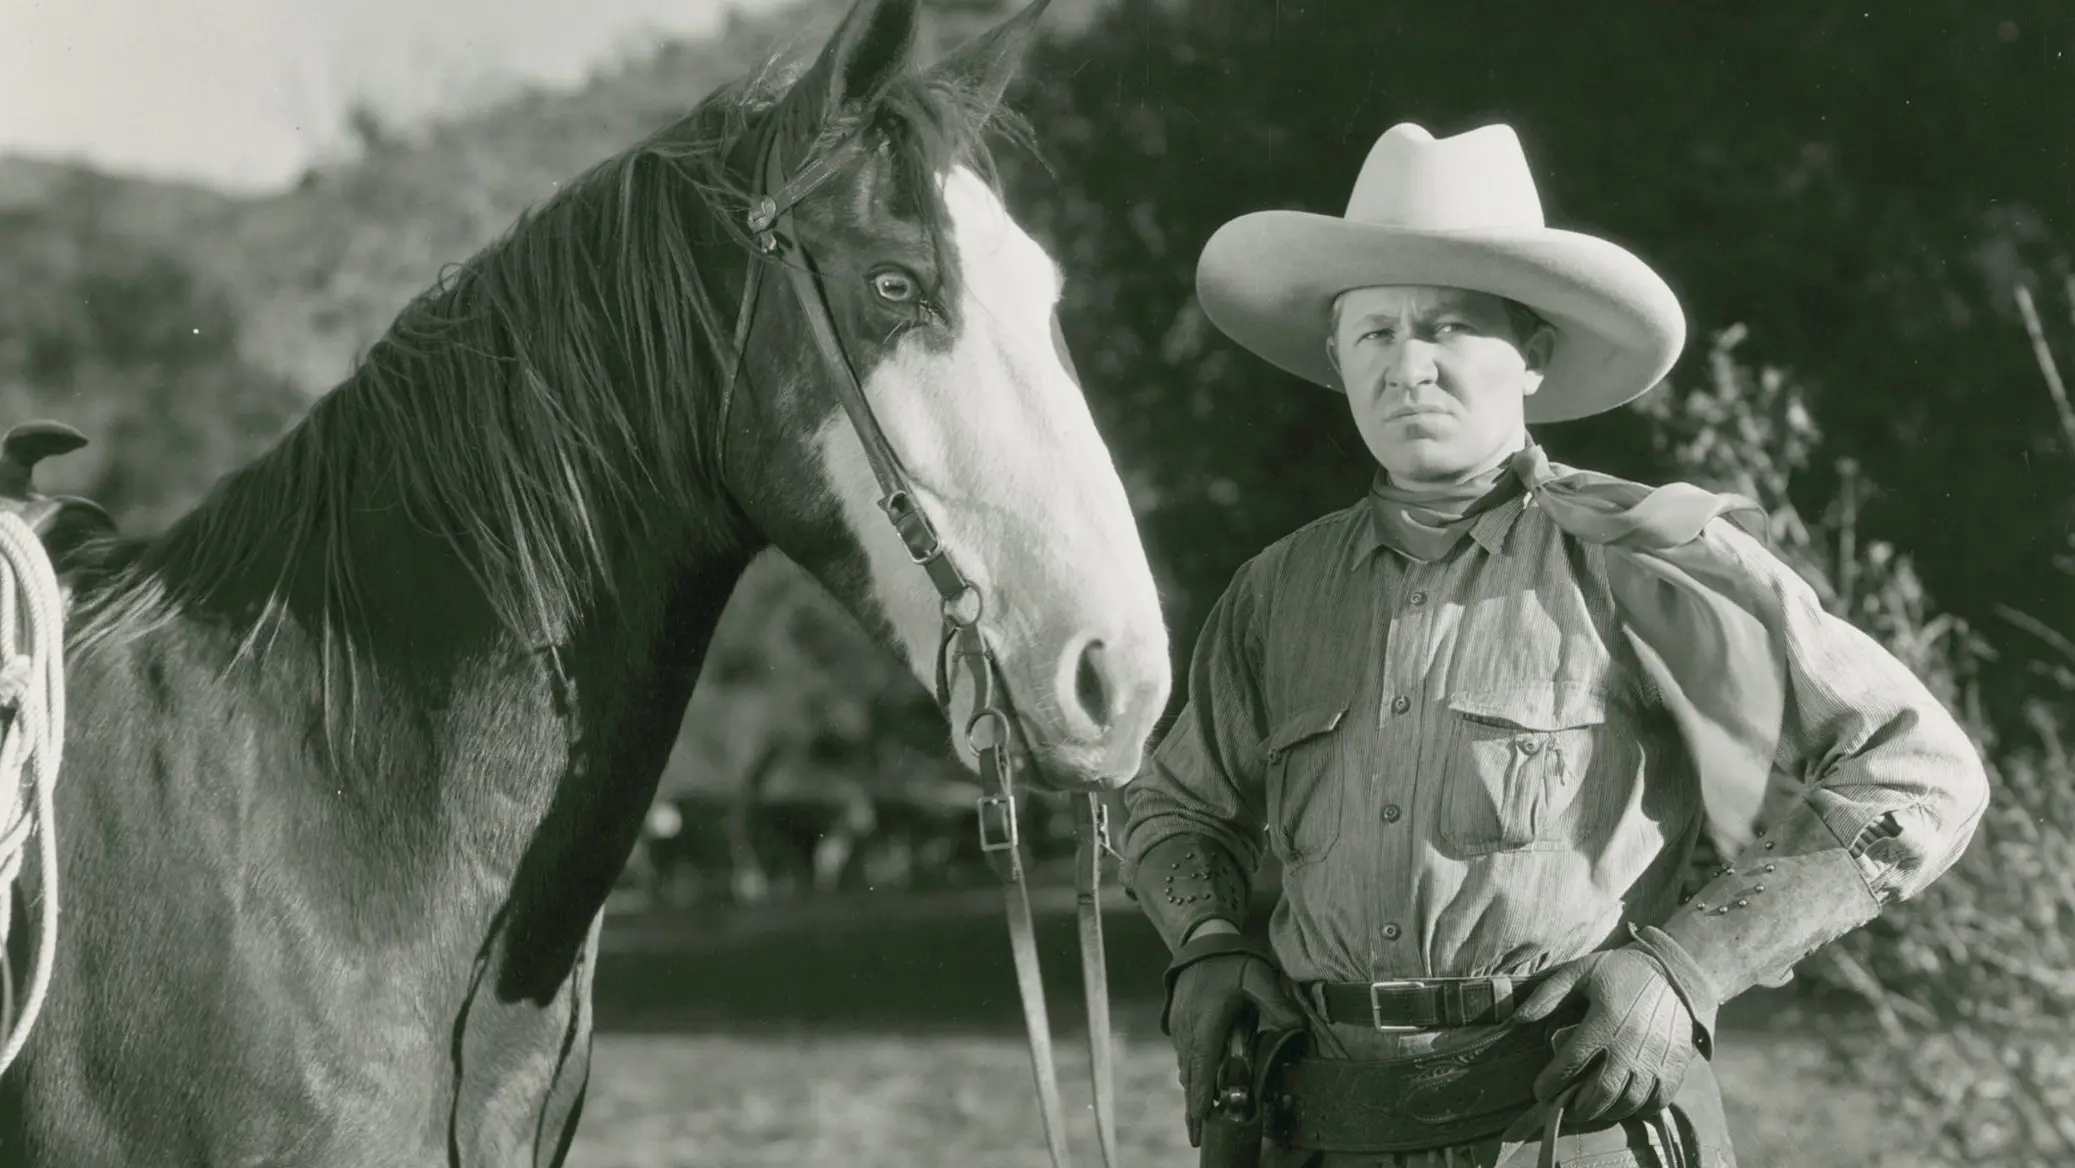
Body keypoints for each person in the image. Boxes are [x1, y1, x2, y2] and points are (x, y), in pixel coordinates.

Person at [1118, 122, 1991, 1168]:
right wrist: (1206, 941)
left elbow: (1914, 771)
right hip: (1328, 1126)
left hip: (1566, 1121)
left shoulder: (1643, 559)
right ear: (1337, 360)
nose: (1409, 366)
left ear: (1531, 355)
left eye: (1447, 327)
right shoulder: (1274, 592)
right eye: (1375, 333)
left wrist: (1687, 967)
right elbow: (1172, 805)